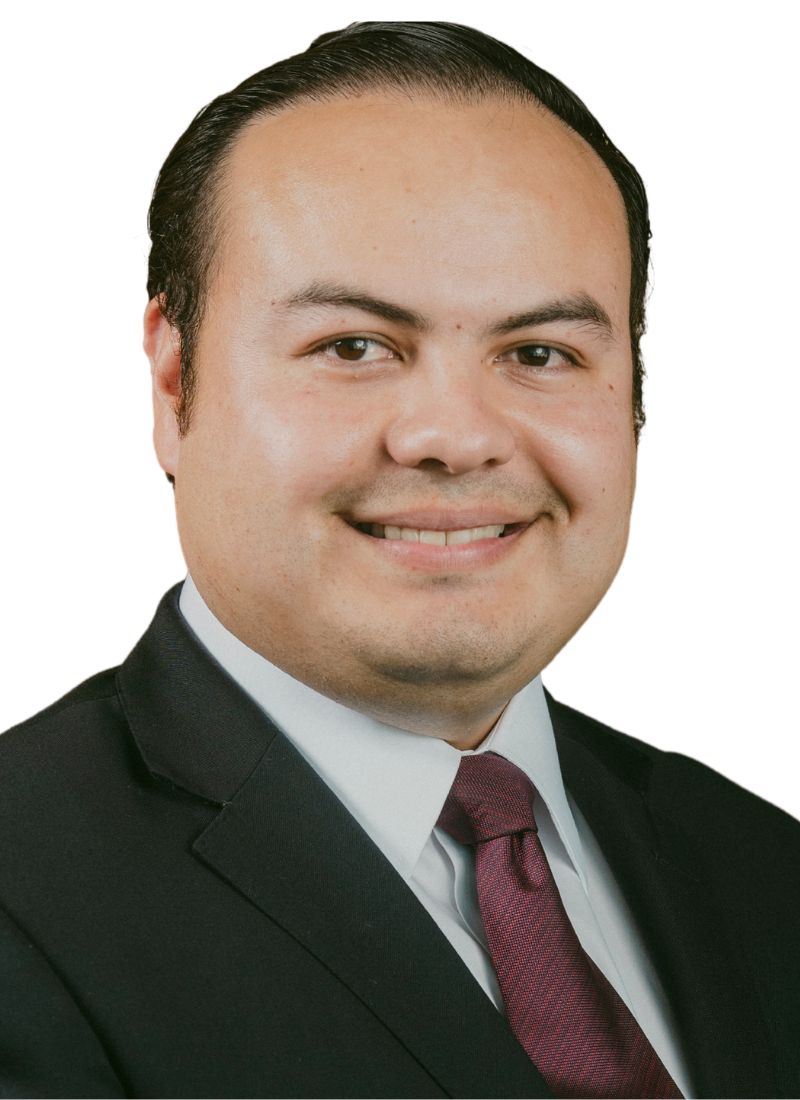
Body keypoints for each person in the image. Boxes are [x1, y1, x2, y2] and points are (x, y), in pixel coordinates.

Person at [0, 20, 797, 1099]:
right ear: (176, 383)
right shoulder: (24, 902)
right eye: (353, 346)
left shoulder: (758, 865)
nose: (454, 436)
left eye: (539, 352)